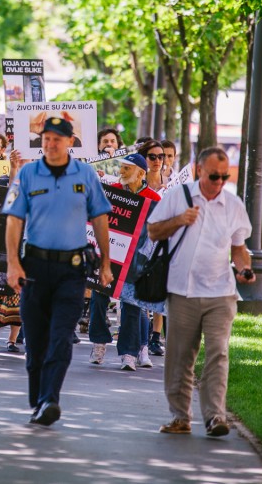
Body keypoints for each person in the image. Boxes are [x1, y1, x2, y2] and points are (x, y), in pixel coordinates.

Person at [5, 116, 113, 426]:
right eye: (46, 138)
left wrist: (105, 263)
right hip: (34, 268)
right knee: (36, 342)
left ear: (70, 142)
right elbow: (13, 220)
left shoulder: (85, 174)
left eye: (57, 139)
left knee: (61, 336)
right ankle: (39, 399)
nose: (51, 144)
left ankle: (50, 398)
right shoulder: (27, 174)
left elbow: (101, 218)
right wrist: (12, 263)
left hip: (72, 270)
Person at [147, 146, 255, 438]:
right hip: (182, 290)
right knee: (180, 356)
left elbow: (239, 248)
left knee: (218, 352)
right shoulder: (178, 196)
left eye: (224, 176)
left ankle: (215, 417)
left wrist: (244, 269)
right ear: (198, 170)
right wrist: (179, 220)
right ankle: (180, 417)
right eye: (213, 176)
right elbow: (153, 230)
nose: (219, 182)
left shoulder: (233, 206)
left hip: (221, 292)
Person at [89, 153, 160, 371]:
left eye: (126, 169)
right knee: (98, 297)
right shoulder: (113, 193)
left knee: (131, 304)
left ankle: (128, 353)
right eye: (120, 168)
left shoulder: (154, 199)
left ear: (140, 173)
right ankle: (99, 342)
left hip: (135, 261)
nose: (121, 172)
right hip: (110, 256)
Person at [137, 138, 168, 354]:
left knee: (159, 288)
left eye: (161, 156)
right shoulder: (138, 181)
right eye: (152, 157)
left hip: (162, 242)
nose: (157, 161)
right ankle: (141, 333)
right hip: (140, 241)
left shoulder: (172, 183)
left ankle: (155, 336)